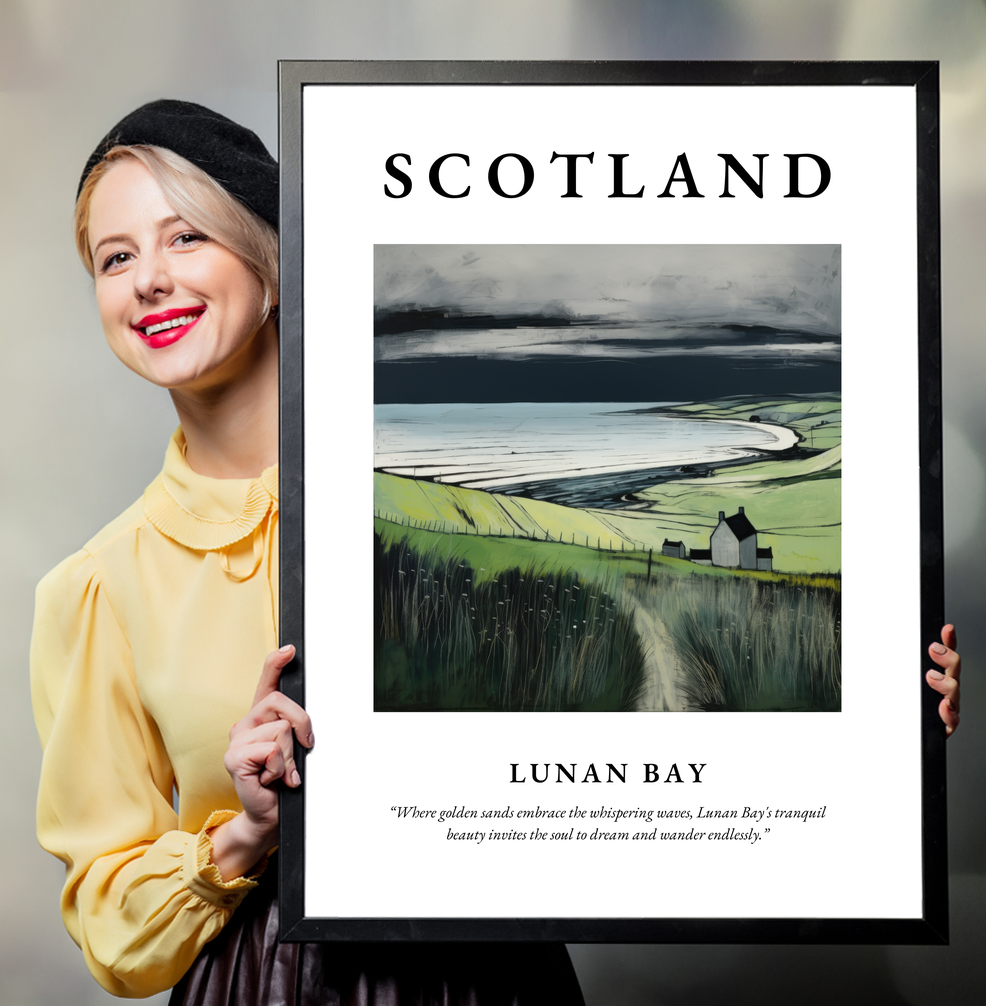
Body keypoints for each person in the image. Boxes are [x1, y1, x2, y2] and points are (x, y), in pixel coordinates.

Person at [30, 100, 585, 1004]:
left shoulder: (454, 499)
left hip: (493, 974)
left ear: (274, 264)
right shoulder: (98, 587)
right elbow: (110, 923)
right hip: (263, 982)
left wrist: (888, 708)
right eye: (116, 257)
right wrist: (245, 832)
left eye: (185, 239)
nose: (148, 281)